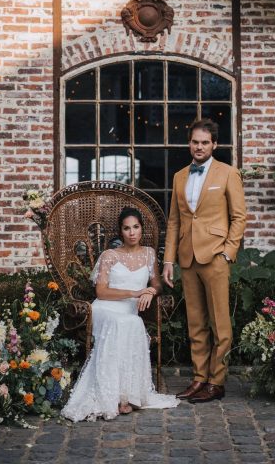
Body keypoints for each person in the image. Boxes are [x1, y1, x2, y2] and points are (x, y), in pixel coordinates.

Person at [61, 206, 179, 422]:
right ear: (120, 231)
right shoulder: (109, 256)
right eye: (127, 228)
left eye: (136, 227)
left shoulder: (149, 254)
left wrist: (151, 291)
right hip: (105, 308)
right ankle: (113, 397)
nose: (132, 232)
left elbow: (157, 284)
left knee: (132, 322)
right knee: (124, 323)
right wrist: (135, 292)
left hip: (129, 312)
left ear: (141, 229)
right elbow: (101, 292)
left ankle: (129, 395)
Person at [162, 118, 246, 403]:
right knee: (195, 323)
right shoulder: (179, 176)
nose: (199, 147)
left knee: (220, 324)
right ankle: (199, 378)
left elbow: (239, 217)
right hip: (187, 257)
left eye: (205, 142)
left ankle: (217, 381)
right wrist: (168, 260)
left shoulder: (228, 173)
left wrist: (228, 252)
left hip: (215, 256)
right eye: (195, 142)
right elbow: (174, 221)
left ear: (214, 145)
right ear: (190, 143)